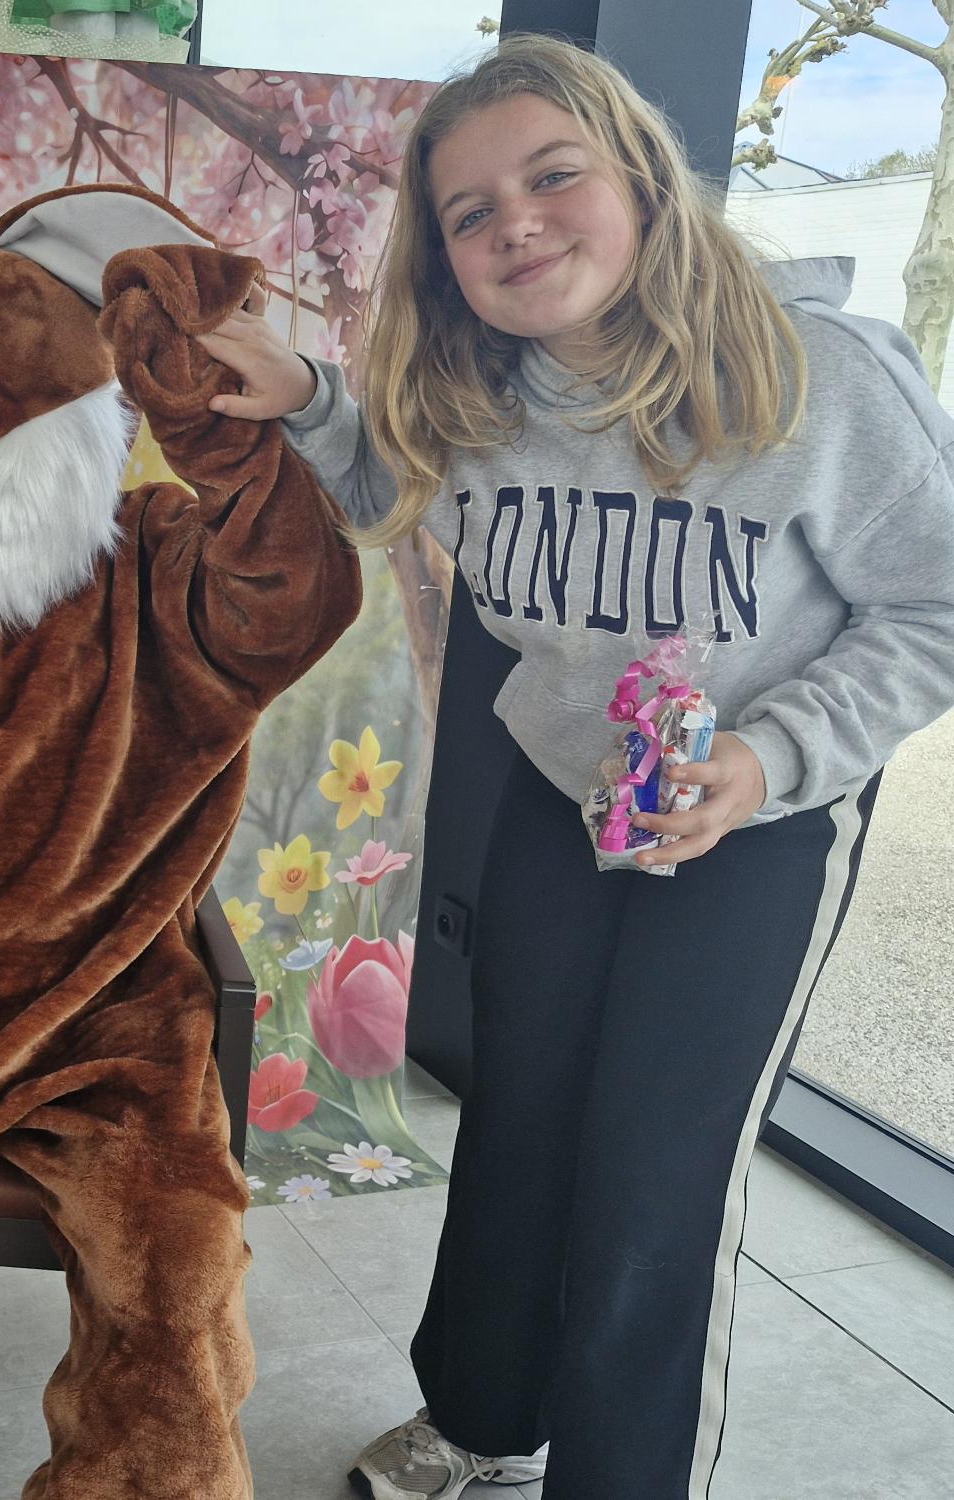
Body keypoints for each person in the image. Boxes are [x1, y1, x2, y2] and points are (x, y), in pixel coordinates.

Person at [204, 34, 954, 1500]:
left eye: (554, 177)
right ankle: (483, 1420)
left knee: (652, 1185)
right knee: (521, 1128)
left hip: (754, 826)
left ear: (645, 182)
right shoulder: (474, 398)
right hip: (563, 798)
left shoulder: (823, 381)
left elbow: (935, 603)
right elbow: (386, 482)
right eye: (470, 212)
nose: (517, 225)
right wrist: (302, 389)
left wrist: (768, 758)